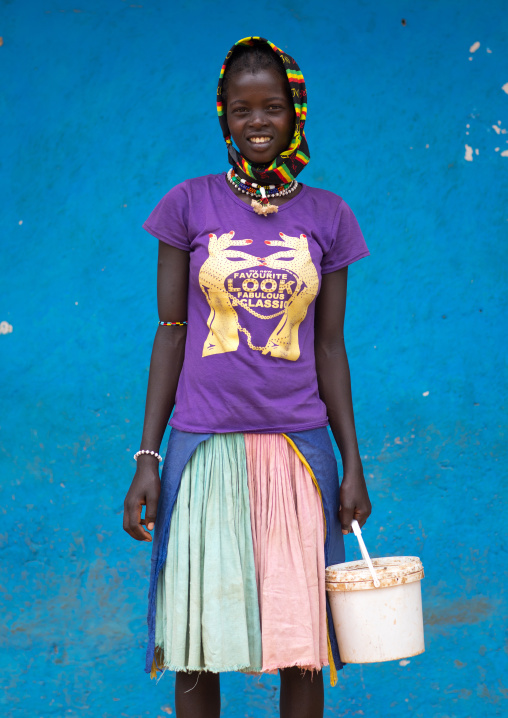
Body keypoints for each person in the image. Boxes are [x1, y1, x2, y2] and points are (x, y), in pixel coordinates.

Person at [123, 36, 372, 718]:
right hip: (202, 449)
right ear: (223, 117)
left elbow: (329, 347)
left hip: (300, 451)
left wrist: (352, 463)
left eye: (272, 108)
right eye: (241, 109)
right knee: (199, 645)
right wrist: (148, 457)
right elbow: (171, 333)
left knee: (302, 645)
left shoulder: (329, 216)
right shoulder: (188, 204)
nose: (257, 123)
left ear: (296, 114)